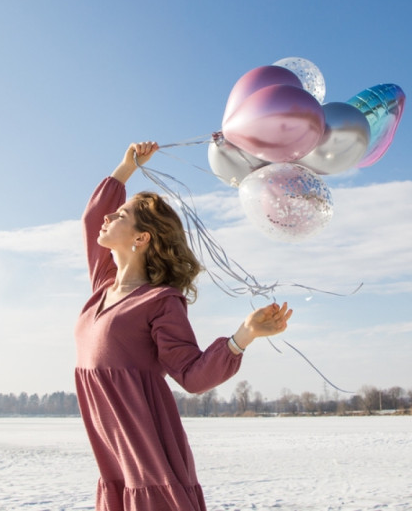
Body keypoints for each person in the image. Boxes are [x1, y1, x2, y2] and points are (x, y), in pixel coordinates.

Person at [74, 140, 293, 511]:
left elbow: (192, 376)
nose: (109, 219)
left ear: (141, 238)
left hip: (147, 455)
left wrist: (245, 335)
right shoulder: (102, 286)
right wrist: (127, 168)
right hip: (114, 458)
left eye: (121, 216)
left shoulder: (161, 301)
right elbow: (92, 218)